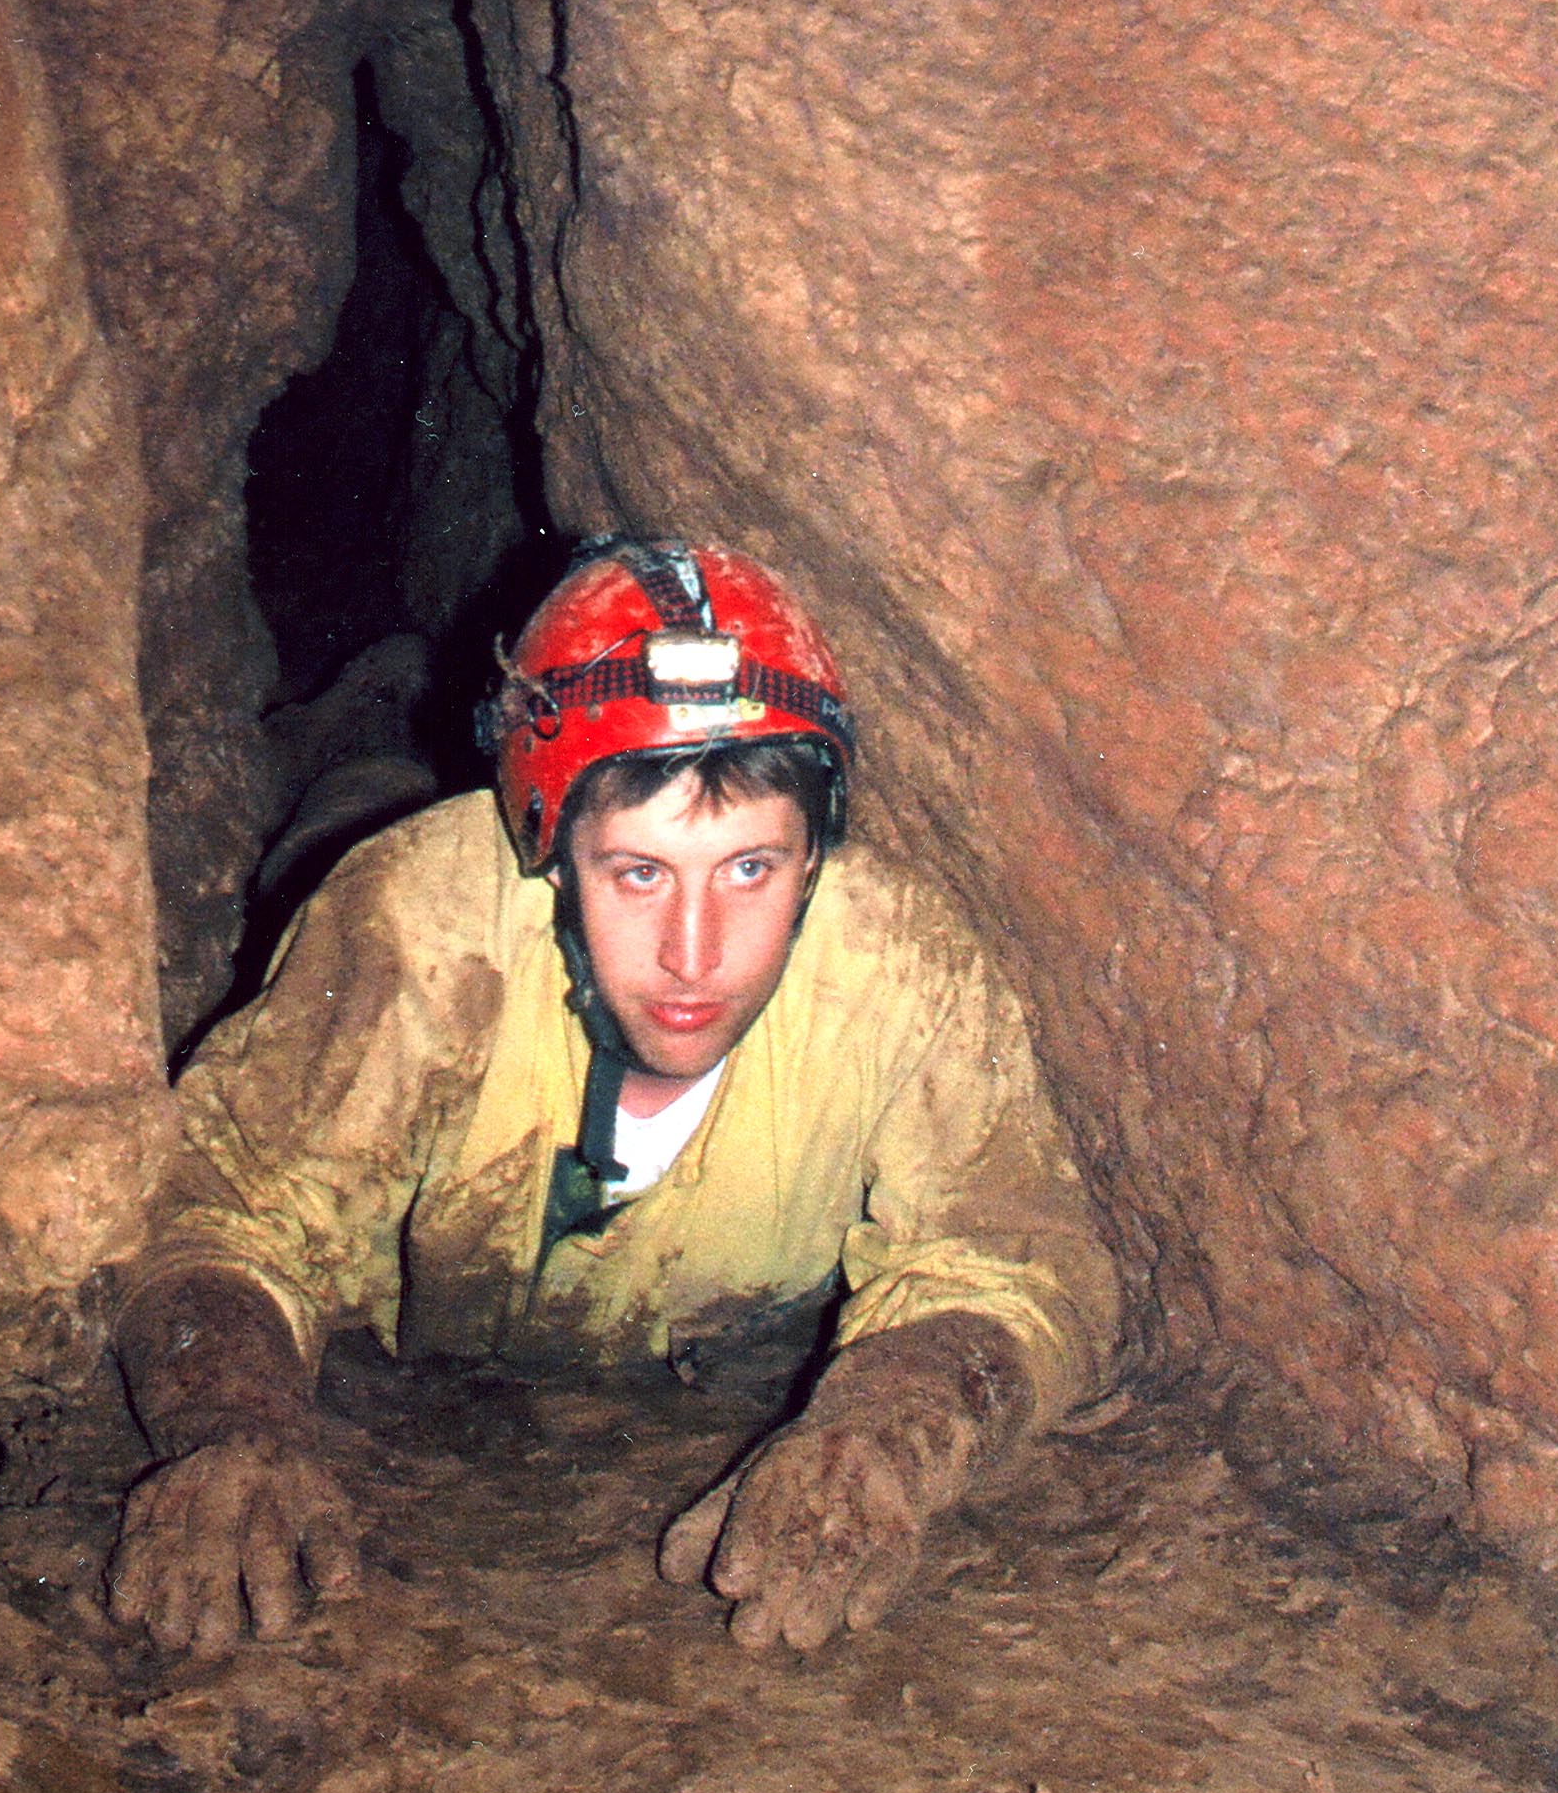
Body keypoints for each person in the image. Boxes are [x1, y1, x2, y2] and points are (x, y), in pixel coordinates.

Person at [106, 536, 1120, 1657]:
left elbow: (1019, 1265)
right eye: (638, 872)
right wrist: (231, 1423)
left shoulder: (903, 967)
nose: (695, 953)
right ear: (551, 848)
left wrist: (894, 1433)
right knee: (338, 825)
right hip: (392, 966)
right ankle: (361, 721)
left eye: (750, 868)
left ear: (815, 856)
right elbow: (222, 1206)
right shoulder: (416, 922)